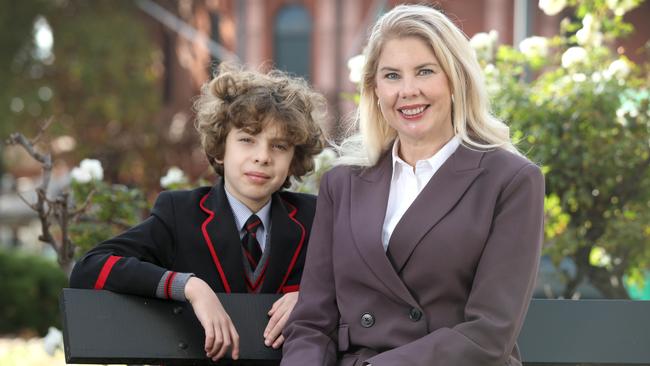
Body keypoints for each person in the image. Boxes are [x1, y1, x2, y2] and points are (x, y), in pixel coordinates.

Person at [280, 4, 544, 366]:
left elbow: (489, 333)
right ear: (374, 89)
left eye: (424, 72)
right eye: (392, 76)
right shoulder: (342, 183)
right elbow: (312, 322)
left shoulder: (511, 180)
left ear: (455, 79)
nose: (408, 91)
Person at [69, 63, 326, 362]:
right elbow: (89, 270)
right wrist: (189, 286)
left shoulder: (314, 218)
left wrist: (312, 298)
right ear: (220, 148)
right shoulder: (181, 214)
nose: (262, 157)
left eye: (279, 145)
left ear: (295, 157)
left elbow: (359, 288)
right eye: (246, 140)